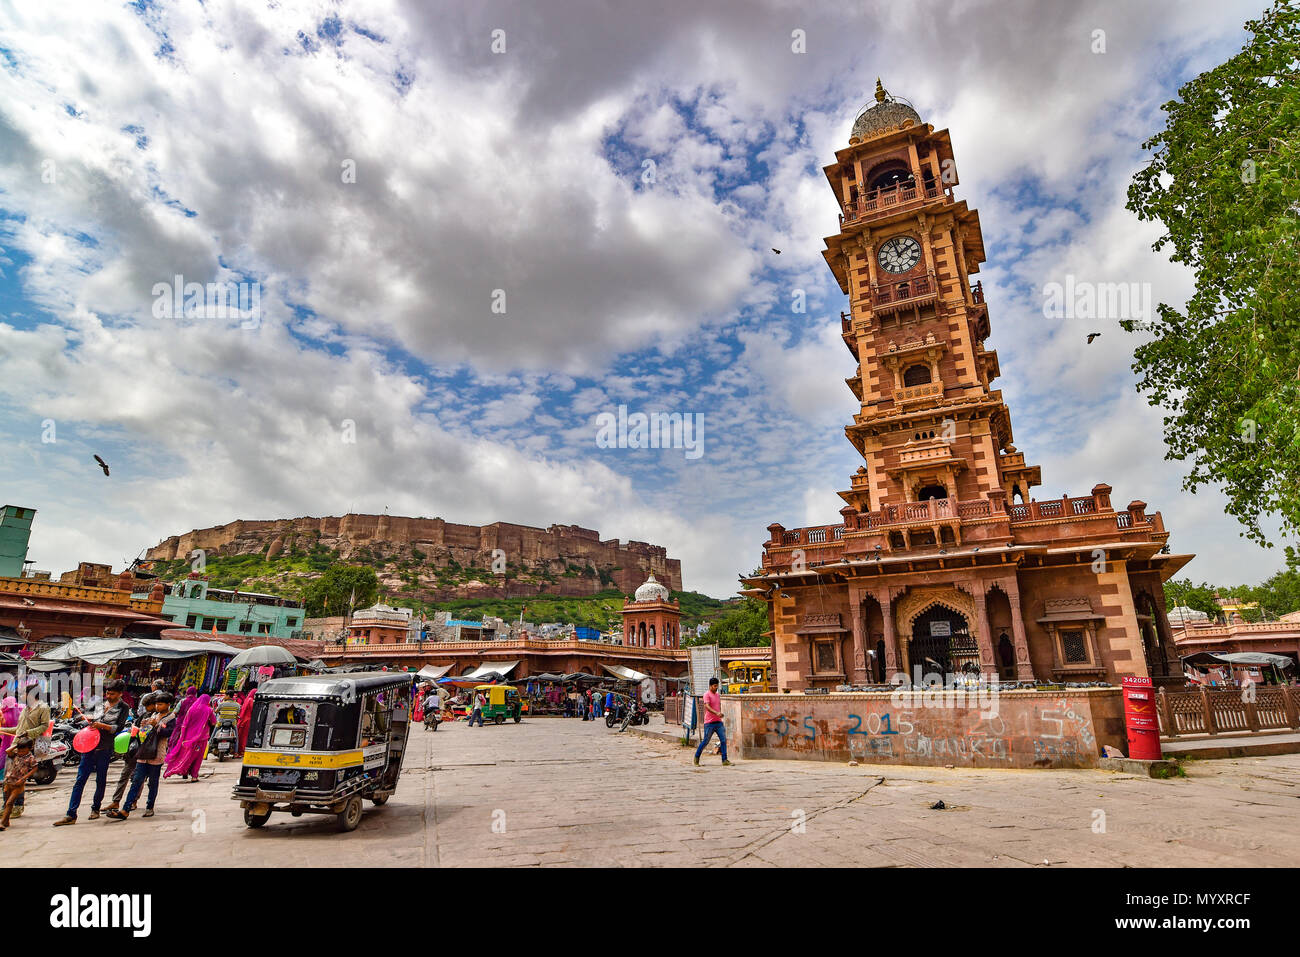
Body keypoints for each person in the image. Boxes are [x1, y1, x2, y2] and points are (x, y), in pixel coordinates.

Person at [53, 678, 130, 825]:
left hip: (104, 748)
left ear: (120, 694)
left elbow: (118, 728)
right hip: (89, 745)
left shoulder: (123, 707)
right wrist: (87, 721)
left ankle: (96, 808)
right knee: (80, 779)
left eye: (113, 694)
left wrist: (103, 726)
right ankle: (71, 813)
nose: (109, 695)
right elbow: (88, 717)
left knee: (100, 780)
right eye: (108, 692)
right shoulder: (100, 703)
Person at [106, 692, 175, 820]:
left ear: (168, 705)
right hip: (144, 752)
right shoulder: (153, 715)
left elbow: (167, 733)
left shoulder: (171, 718)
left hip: (157, 753)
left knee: (153, 782)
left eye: (160, 704)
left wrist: (156, 726)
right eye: (156, 704)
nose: (158, 707)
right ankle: (126, 809)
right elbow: (143, 732)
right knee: (136, 780)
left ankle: (150, 807)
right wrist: (144, 726)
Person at [163, 693, 215, 783]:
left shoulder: (192, 709)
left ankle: (183, 772)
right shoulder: (208, 710)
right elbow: (214, 722)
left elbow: (185, 723)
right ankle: (194, 776)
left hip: (187, 738)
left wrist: (182, 735)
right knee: (197, 757)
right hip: (201, 738)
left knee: (186, 754)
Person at [693, 677, 732, 767]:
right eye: (714, 686)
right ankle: (696, 757)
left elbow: (718, 706)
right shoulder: (706, 695)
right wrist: (717, 713)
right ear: (710, 686)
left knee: (723, 740)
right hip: (709, 723)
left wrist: (719, 714)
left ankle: (724, 760)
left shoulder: (718, 695)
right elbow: (707, 706)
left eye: (717, 686)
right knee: (706, 741)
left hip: (718, 722)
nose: (716, 688)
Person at [0, 738, 37, 830]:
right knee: (7, 803)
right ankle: (6, 821)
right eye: (19, 750)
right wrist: (18, 744)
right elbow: (7, 750)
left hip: (18, 784)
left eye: (23, 750)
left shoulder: (31, 758)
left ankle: (2, 823)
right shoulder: (15, 754)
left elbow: (35, 768)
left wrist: (24, 778)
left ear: (29, 748)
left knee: (9, 802)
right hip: (8, 781)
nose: (21, 752)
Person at [237, 686, 257, 755]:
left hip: (243, 719)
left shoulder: (247, 699)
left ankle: (239, 749)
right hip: (247, 720)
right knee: (244, 736)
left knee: (241, 735)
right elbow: (252, 710)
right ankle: (242, 750)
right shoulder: (251, 700)